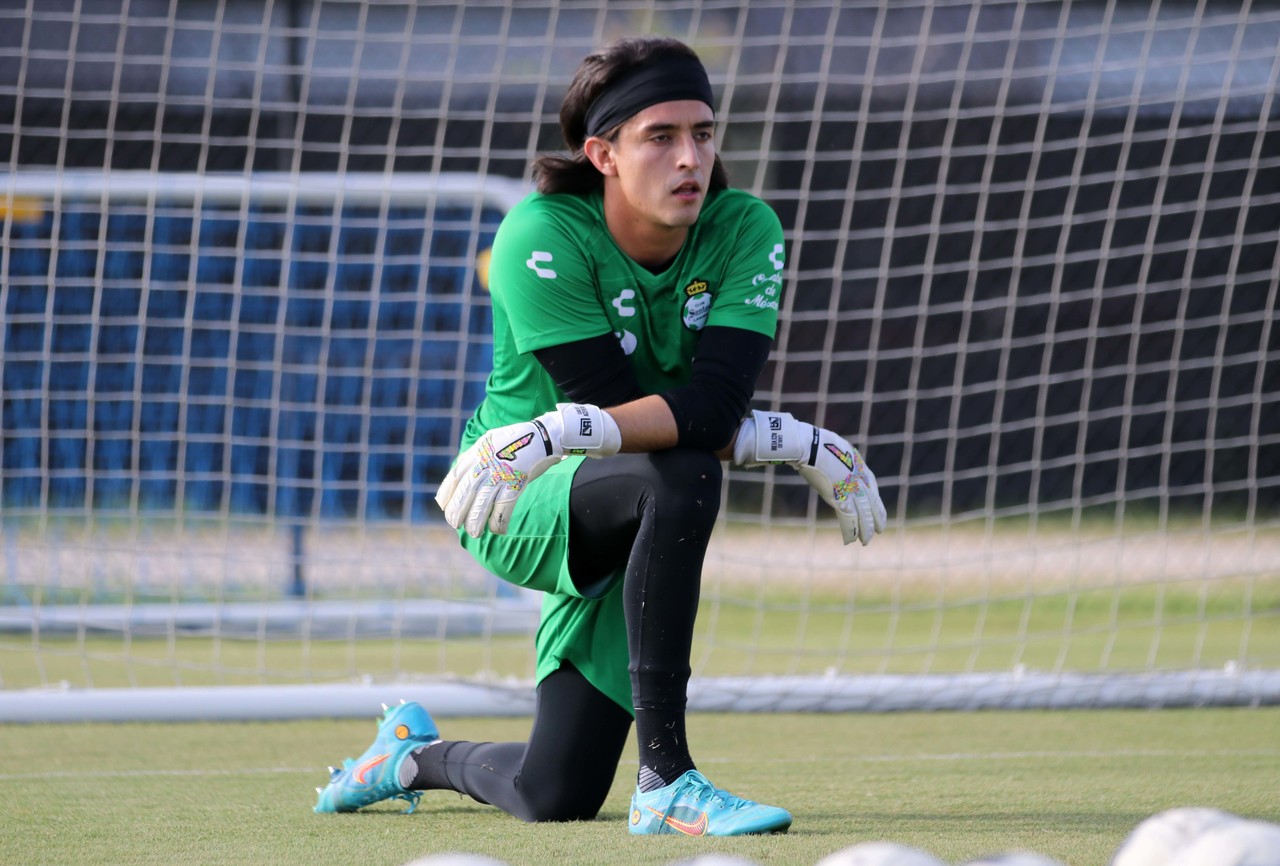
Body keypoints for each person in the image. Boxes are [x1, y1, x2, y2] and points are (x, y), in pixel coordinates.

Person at [314, 35, 887, 837]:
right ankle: (668, 779)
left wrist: (790, 439)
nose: (691, 156)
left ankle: (410, 756)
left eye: (704, 132)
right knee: (681, 471)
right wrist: (786, 441)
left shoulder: (744, 227)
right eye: (661, 136)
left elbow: (709, 410)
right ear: (602, 153)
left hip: (619, 481)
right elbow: (637, 424)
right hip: (513, 494)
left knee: (556, 794)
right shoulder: (539, 235)